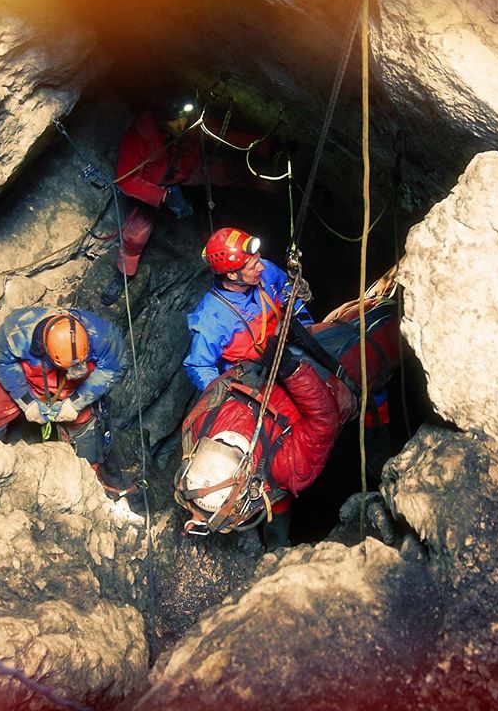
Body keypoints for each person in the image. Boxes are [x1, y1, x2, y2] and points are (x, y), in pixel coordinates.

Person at [174, 292, 399, 550]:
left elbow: (226, 381)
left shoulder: (196, 428)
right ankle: (380, 470)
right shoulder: (288, 468)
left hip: (302, 349)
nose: (229, 441)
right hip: (337, 376)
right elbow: (324, 419)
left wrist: (260, 364)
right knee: (388, 338)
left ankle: (276, 543)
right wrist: (292, 372)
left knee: (356, 312)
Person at [100, 90, 275, 306]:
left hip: (185, 168)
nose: (181, 124)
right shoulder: (140, 135)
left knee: (227, 171)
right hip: (156, 182)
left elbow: (223, 134)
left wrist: (265, 146)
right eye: (175, 121)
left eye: (183, 119)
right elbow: (127, 181)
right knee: (135, 234)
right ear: (161, 118)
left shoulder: (191, 122)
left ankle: (266, 184)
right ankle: (123, 275)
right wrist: (164, 197)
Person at [0, 306, 128, 480]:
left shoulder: (102, 336)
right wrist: (26, 400)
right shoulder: (18, 333)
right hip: (27, 378)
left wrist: (76, 402)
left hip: (75, 385)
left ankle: (90, 477)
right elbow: (2, 363)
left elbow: (113, 368)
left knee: (86, 433)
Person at [183, 226, 314, 392]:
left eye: (258, 260)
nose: (261, 267)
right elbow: (199, 366)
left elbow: (288, 290)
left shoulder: (266, 271)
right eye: (253, 266)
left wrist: (306, 328)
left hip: (290, 349)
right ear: (232, 275)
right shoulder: (211, 318)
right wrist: (225, 393)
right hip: (255, 377)